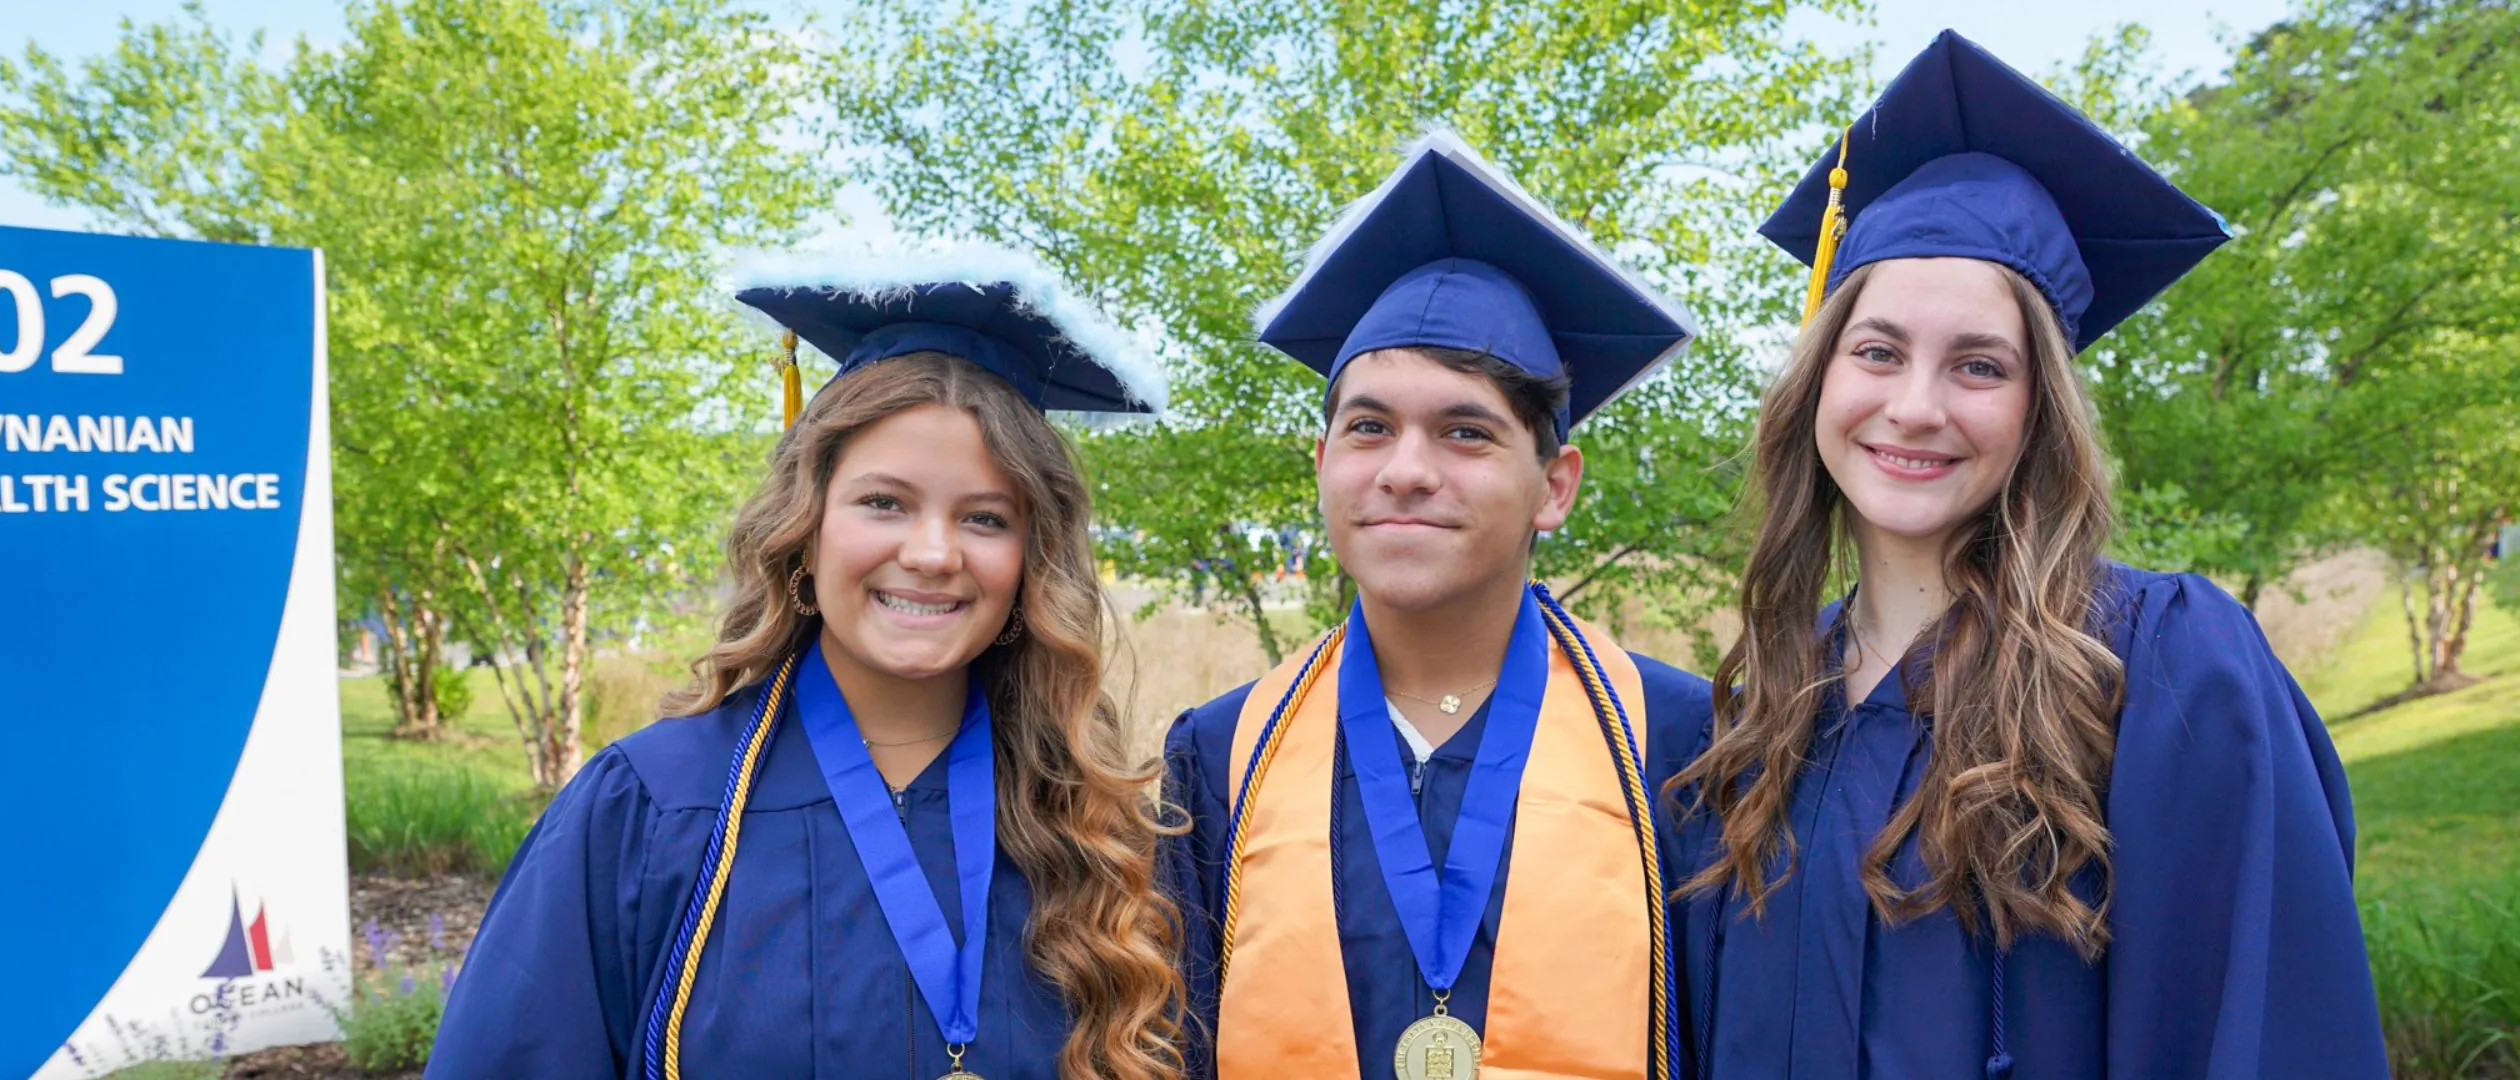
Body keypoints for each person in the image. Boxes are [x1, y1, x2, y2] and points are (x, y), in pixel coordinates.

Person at [1662, 31, 2389, 1078]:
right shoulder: (1762, 714)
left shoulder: (2161, 670)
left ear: (2039, 408)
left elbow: (2264, 1028)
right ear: (1819, 381)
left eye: (1978, 365)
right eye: (1876, 351)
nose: (1914, 406)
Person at [428, 245, 1185, 1080]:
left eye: (985, 518)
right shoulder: (652, 811)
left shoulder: (1094, 830)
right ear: (805, 526)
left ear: (1031, 562)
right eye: (883, 503)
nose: (932, 554)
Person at [1158, 131, 1717, 1080]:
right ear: (1325, 464)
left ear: (1555, 486)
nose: (1407, 471)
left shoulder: (1682, 742)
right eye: (1369, 427)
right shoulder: (1220, 754)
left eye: (1466, 432)